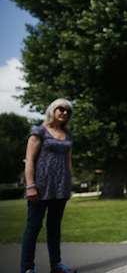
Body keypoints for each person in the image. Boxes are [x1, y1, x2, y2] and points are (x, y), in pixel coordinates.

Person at [20, 98, 75, 273]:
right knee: (33, 227)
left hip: (61, 188)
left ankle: (56, 264)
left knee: (54, 228)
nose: (65, 112)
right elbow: (29, 160)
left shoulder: (68, 135)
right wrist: (30, 186)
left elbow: (68, 161)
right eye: (61, 109)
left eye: (68, 111)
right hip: (40, 187)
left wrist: (69, 183)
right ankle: (27, 268)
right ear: (52, 110)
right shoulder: (39, 131)